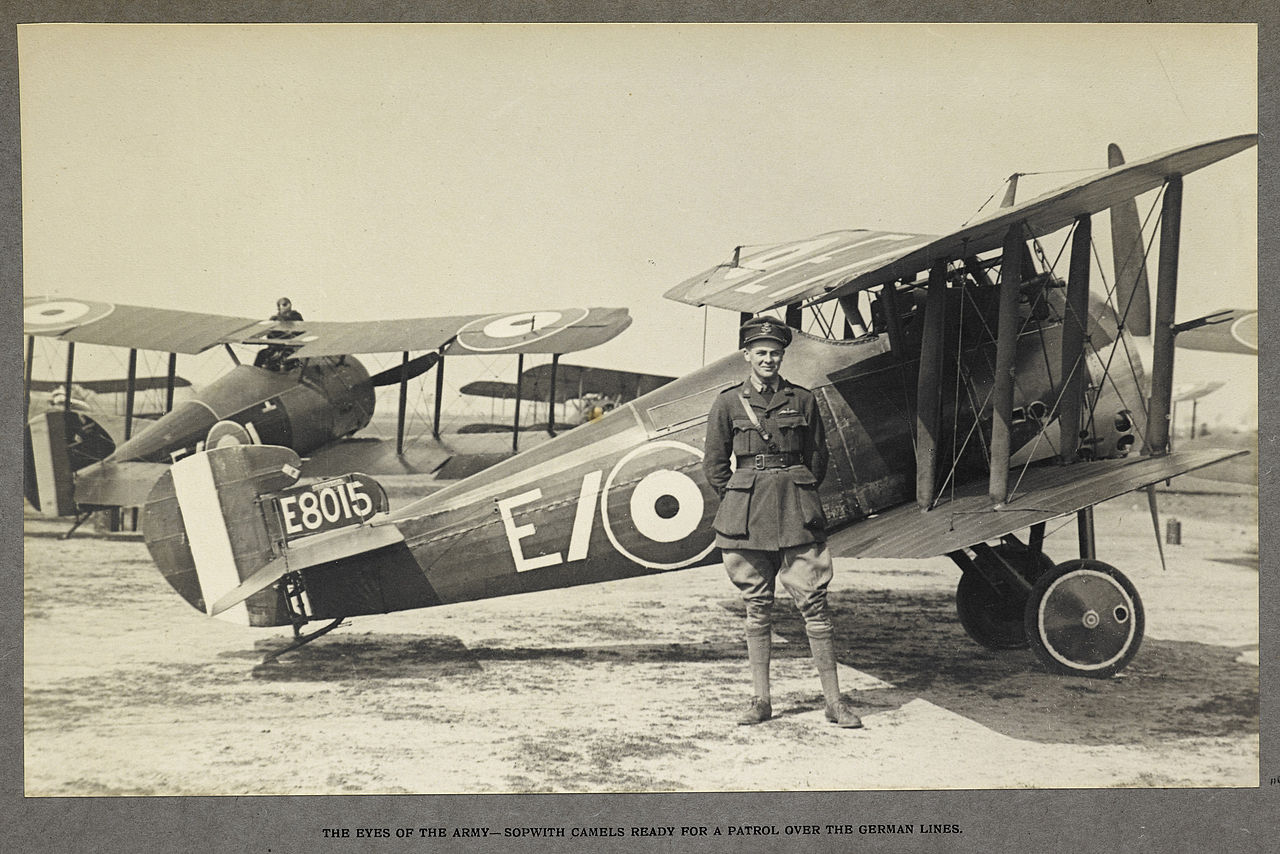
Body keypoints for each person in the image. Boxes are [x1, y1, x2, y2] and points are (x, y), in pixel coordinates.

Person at [703, 316, 863, 728]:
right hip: (747, 518)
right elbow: (715, 464)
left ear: (782, 356)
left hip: (797, 513)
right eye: (761, 353)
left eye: (775, 353)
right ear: (747, 356)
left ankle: (834, 703)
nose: (768, 359)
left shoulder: (803, 400)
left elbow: (817, 457)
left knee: (815, 605)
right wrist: (740, 500)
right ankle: (761, 702)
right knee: (757, 609)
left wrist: (799, 492)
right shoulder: (728, 403)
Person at [256, 297, 304, 369]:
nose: (287, 307)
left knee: (286, 359)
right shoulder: (274, 319)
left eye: (287, 304)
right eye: (284, 305)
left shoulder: (296, 316)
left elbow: (301, 330)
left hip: (289, 347)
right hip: (275, 347)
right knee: (261, 354)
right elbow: (269, 334)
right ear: (279, 307)